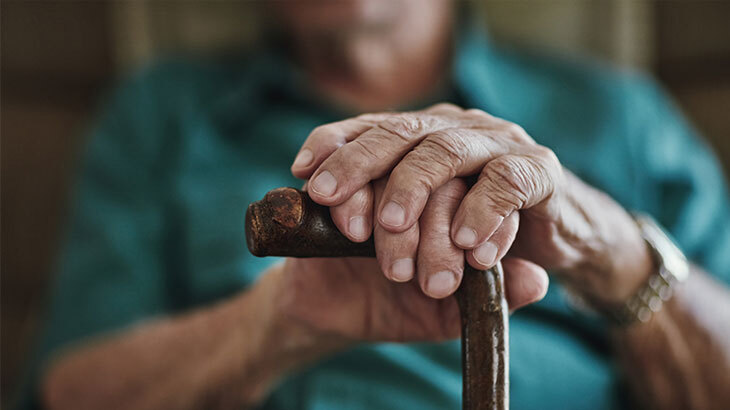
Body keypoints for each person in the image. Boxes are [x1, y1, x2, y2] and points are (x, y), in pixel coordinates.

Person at [17, 1, 730, 409]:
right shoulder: (159, 113)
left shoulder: (620, 116)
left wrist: (607, 248)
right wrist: (277, 323)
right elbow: (71, 391)